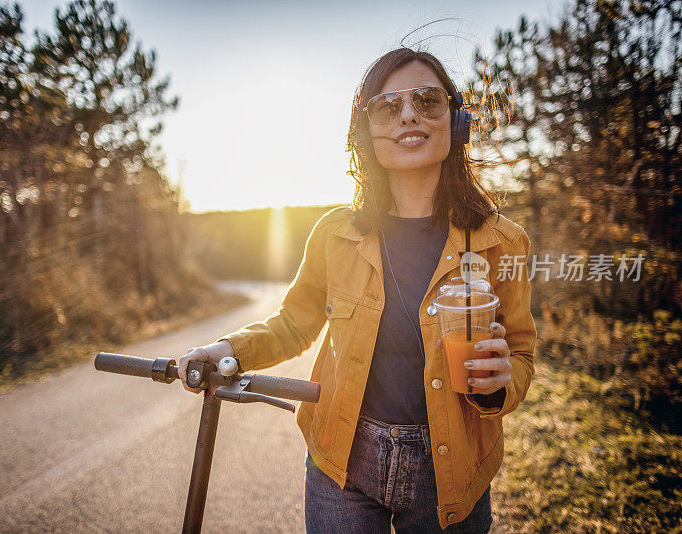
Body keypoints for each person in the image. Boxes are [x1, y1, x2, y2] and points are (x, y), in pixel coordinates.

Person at [178, 47, 537, 533]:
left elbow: (520, 353)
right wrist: (229, 349)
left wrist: (499, 387)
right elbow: (293, 324)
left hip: (453, 471)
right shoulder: (335, 234)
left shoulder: (504, 242)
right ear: (366, 135)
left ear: (456, 121)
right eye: (388, 107)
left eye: (428, 100)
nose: (409, 114)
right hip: (343, 462)